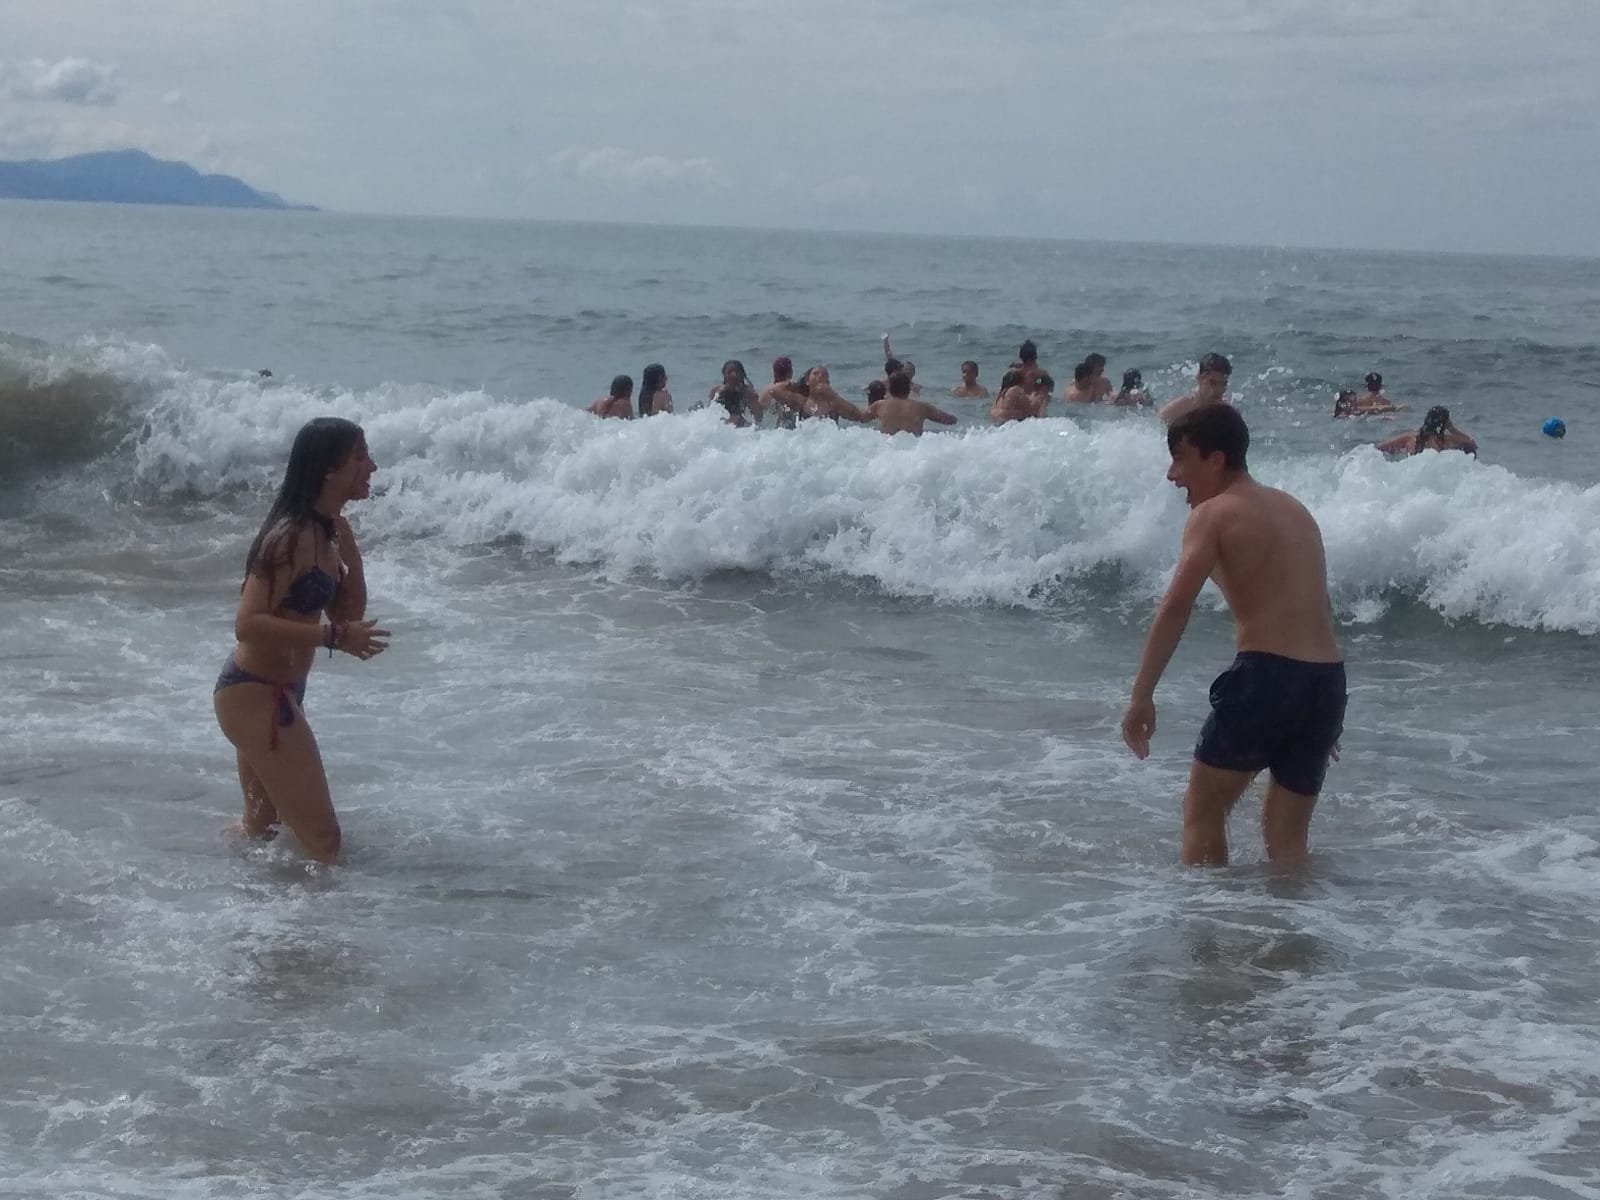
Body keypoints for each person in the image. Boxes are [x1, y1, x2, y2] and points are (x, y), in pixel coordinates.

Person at [1120, 405, 1345, 868]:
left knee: (1203, 809)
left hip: (1267, 677)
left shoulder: (1214, 514)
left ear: (1216, 460)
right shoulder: (1295, 510)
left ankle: (1203, 914)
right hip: (1325, 683)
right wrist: (1321, 714)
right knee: (1287, 841)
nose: (1172, 475)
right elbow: (1320, 607)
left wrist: (1141, 696)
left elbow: (1176, 606)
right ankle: (1293, 916)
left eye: (1180, 459)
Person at [213, 418, 390, 863]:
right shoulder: (290, 536)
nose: (371, 466)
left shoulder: (326, 532)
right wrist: (331, 637)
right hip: (254, 695)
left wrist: (353, 562)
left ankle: (221, 894)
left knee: (261, 830)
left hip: (279, 692)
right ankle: (322, 919)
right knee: (324, 842)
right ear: (329, 469)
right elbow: (247, 623)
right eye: (361, 456)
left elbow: (346, 617)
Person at [870, 371, 958, 436]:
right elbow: (950, 420)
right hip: (913, 450)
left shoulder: (879, 405)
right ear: (908, 389)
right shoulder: (922, 407)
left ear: (890, 389)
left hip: (887, 449)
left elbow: (863, 417)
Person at [1159, 352, 1232, 425]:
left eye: (1223, 384)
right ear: (1199, 378)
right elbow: (1158, 423)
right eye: (1212, 383)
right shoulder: (1181, 408)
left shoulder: (1228, 415)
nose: (1218, 390)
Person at [1375, 405, 1477, 456]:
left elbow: (1379, 447)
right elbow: (1472, 444)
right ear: (1446, 424)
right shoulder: (1447, 441)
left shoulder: (1410, 438)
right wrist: (1452, 429)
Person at [709, 360, 760, 426]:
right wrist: (719, 393)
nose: (733, 375)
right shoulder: (717, 390)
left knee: (738, 420)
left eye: (736, 372)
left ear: (742, 375)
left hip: (739, 423)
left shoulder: (747, 391)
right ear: (724, 375)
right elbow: (710, 412)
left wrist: (752, 398)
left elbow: (758, 416)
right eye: (730, 372)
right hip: (721, 422)